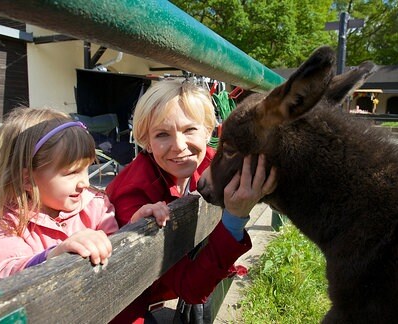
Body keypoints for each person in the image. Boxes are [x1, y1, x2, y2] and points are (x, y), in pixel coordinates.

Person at [105, 80, 277, 323]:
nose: (179, 146)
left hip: (168, 284)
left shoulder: (209, 160)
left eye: (189, 130)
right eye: (162, 134)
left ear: (209, 131)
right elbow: (191, 288)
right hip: (126, 306)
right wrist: (234, 219)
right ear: (146, 140)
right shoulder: (134, 195)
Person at [0, 107, 169, 281]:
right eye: (72, 172)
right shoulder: (8, 221)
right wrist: (55, 255)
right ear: (27, 179)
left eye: (86, 170)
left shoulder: (94, 205)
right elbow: (7, 272)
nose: (85, 183)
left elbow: (113, 246)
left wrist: (134, 225)